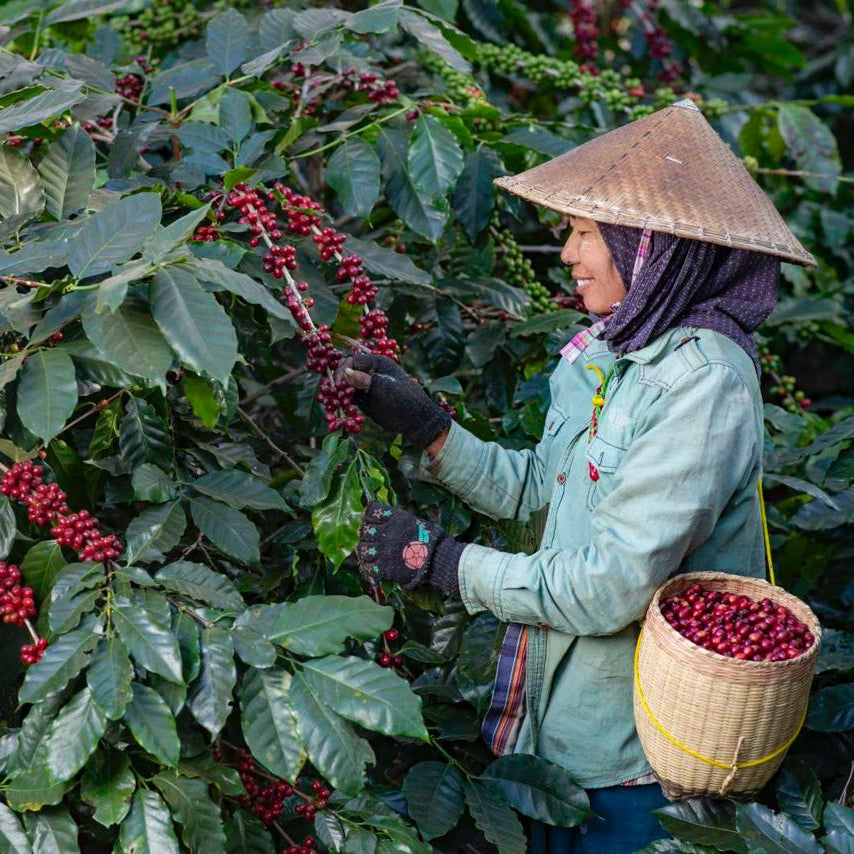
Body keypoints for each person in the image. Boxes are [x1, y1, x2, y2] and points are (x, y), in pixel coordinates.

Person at [339, 100, 816, 853]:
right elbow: (544, 493)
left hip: (637, 764)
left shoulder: (703, 382)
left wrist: (445, 564)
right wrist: (428, 428)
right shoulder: (613, 351)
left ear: (650, 245)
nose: (566, 252)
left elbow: (613, 585)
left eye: (585, 233)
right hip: (557, 737)